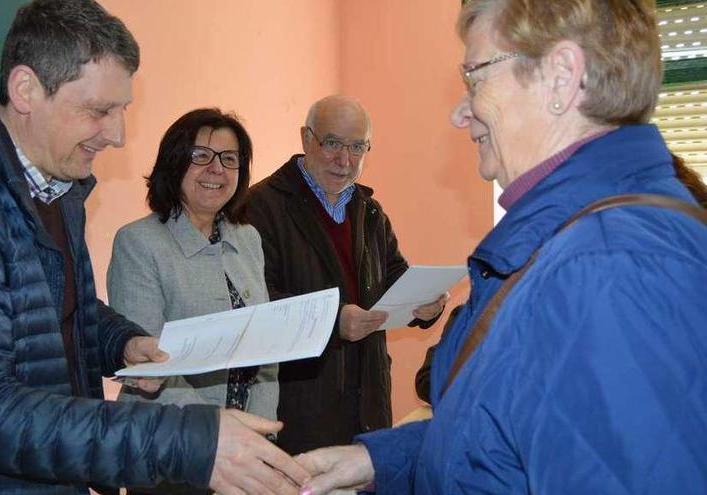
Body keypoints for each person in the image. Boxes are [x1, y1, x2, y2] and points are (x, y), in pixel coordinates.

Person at [0, 1, 308, 494]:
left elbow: (55, 312)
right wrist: (188, 443)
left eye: (122, 110)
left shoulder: (58, 188)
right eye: (99, 111)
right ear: (26, 90)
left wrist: (120, 342)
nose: (118, 135)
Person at [295, 1, 707, 494]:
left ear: (561, 77)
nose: (458, 111)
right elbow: (508, 429)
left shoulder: (609, 268)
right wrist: (380, 459)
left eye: (475, 77)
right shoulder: (578, 243)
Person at [245, 95, 447, 455]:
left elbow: (393, 277)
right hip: (298, 408)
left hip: (368, 405)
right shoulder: (260, 206)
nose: (345, 160)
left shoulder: (369, 211)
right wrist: (333, 321)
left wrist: (425, 304)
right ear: (306, 139)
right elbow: (255, 302)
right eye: (333, 143)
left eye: (358, 147)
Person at [107, 108, 278, 494]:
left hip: (245, 452)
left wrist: (261, 437)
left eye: (229, 159)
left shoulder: (247, 239)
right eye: (200, 156)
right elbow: (150, 365)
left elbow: (267, 353)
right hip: (169, 449)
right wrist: (218, 434)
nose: (216, 169)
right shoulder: (139, 243)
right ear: (174, 163)